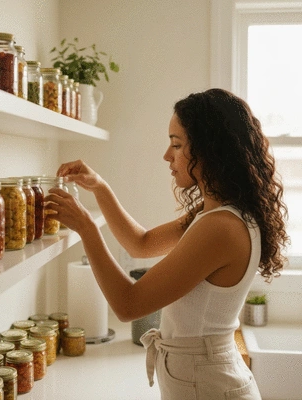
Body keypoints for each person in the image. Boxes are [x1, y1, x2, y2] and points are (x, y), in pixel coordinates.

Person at [44, 88, 289, 399]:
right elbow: (141, 244)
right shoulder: (216, 212)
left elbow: (128, 304)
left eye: (176, 144)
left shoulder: (221, 227)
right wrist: (100, 188)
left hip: (210, 385)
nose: (166, 155)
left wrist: (87, 229)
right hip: (206, 378)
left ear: (210, 149)